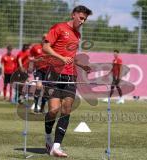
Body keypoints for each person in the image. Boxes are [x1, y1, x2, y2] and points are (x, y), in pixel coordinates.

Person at [42, 5, 92, 157]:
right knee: (53, 111)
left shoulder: (77, 35)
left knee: (66, 110)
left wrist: (81, 65)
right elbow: (45, 47)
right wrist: (61, 58)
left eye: (85, 19)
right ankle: (48, 138)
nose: (82, 21)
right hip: (54, 74)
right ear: (73, 15)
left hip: (71, 76)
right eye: (81, 18)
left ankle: (57, 146)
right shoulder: (59, 28)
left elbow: (71, 56)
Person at [30, 34, 48, 114]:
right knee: (39, 86)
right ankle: (36, 106)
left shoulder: (50, 48)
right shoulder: (35, 47)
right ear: (42, 39)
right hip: (38, 70)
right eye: (44, 38)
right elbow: (30, 58)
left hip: (48, 71)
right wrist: (36, 61)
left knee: (46, 90)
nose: (45, 39)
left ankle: (42, 107)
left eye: (47, 38)